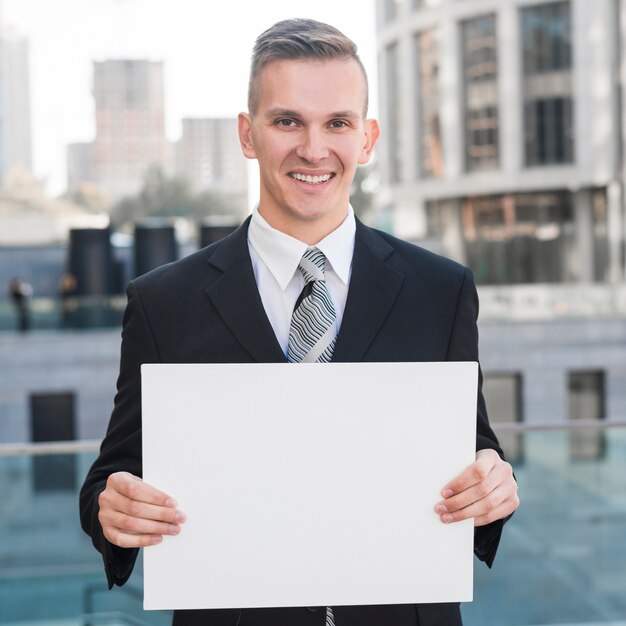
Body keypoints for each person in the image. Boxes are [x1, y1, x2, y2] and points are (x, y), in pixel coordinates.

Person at [80, 18, 519, 626]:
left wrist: (495, 484)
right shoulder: (164, 302)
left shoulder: (442, 291)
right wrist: (111, 506)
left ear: (366, 139)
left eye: (337, 123)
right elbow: (112, 474)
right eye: (287, 120)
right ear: (248, 133)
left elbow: (476, 448)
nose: (314, 149)